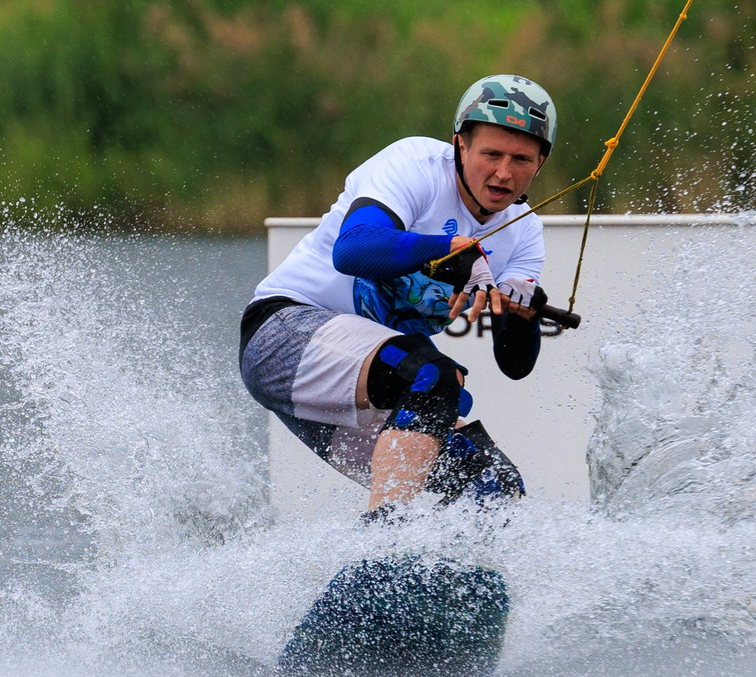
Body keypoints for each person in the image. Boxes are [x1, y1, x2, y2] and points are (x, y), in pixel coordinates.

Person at [239, 75, 558, 515]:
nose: (504, 173)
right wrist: (448, 252)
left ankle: (437, 581)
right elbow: (352, 249)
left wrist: (525, 313)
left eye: (521, 159)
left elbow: (516, 365)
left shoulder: (524, 234)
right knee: (432, 375)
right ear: (460, 146)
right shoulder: (416, 165)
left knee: (492, 486)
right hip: (281, 335)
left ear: (540, 164)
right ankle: (383, 550)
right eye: (491, 154)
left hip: (369, 391)